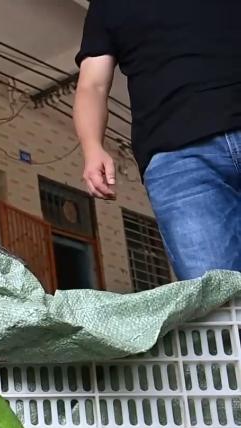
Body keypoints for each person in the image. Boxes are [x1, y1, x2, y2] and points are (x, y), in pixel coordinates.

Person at [73, 0, 241, 280]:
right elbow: (92, 85)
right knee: (216, 294)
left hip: (177, 156)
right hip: (179, 160)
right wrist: (92, 148)